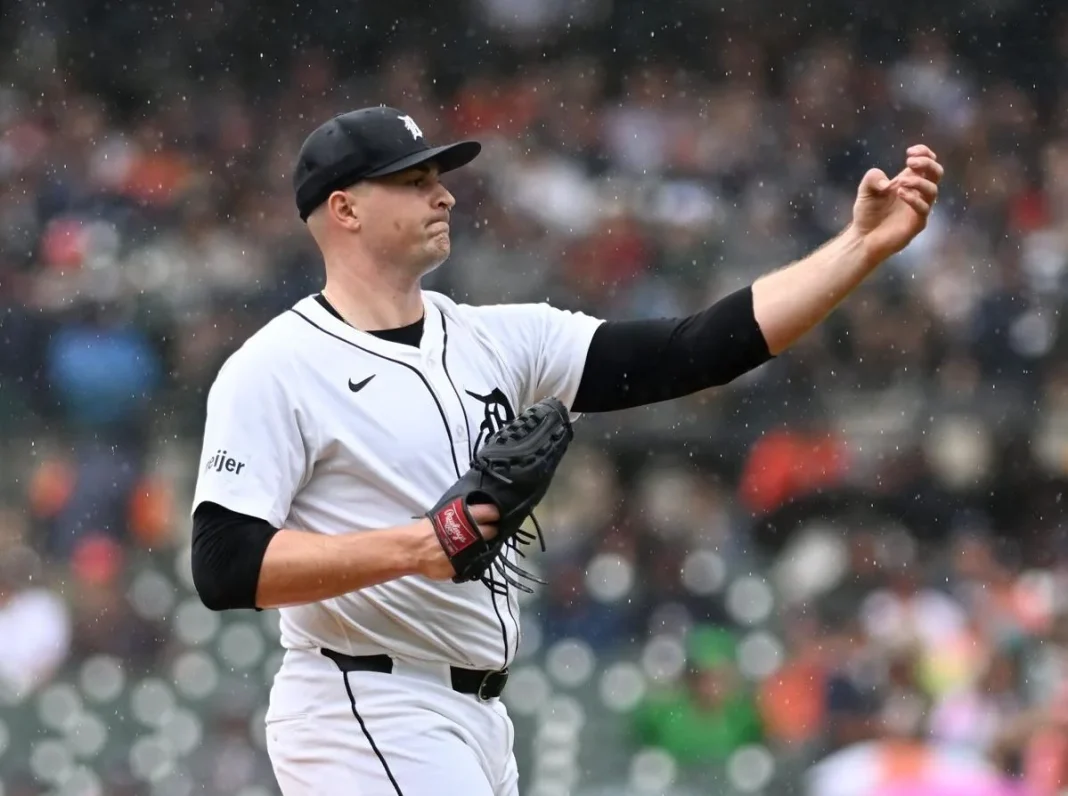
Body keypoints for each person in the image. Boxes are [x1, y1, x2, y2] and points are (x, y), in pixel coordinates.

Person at [189, 105, 943, 794]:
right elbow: (224, 565)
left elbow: (695, 350)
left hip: (478, 715)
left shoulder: (496, 340)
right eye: (414, 181)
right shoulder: (276, 366)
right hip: (365, 700)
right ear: (345, 208)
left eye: (439, 179)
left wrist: (859, 248)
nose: (444, 195)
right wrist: (420, 545)